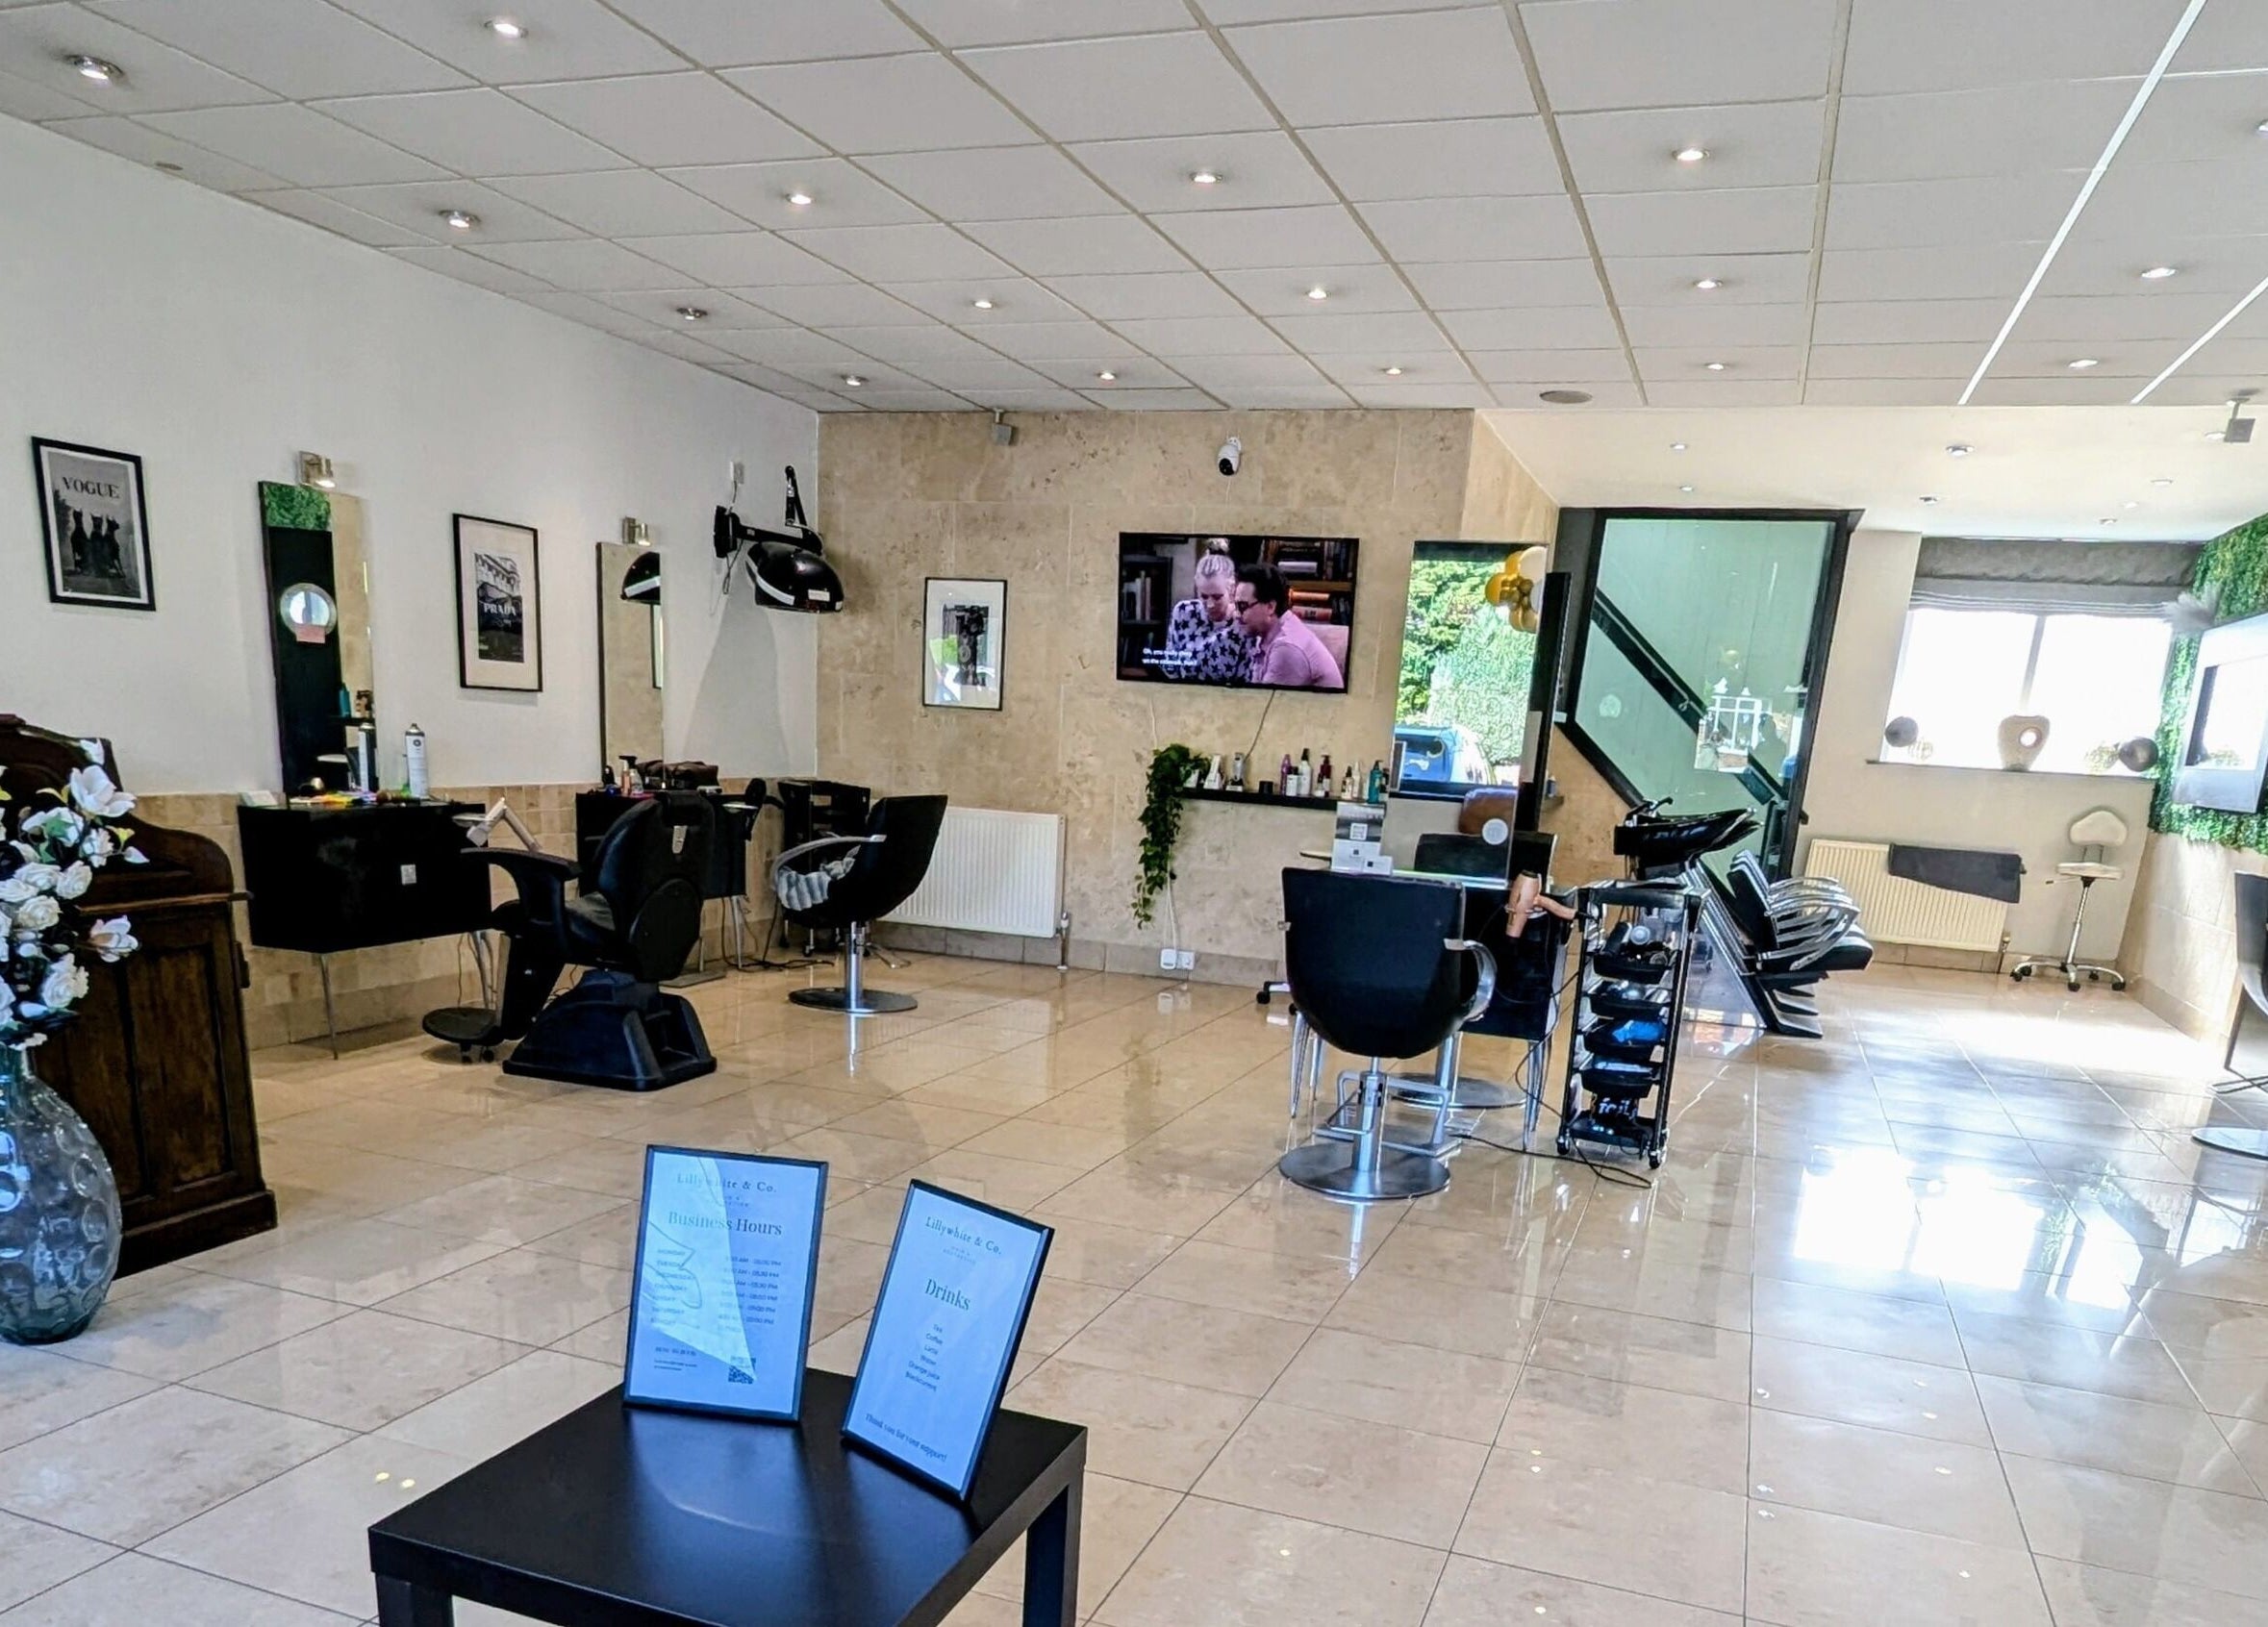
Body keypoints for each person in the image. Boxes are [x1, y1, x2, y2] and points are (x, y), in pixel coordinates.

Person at [1235, 563, 1343, 690]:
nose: (1236, 615)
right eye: (1236, 606)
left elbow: (1264, 706)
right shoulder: (1270, 634)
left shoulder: (1286, 648)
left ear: (1270, 607)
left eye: (1242, 606)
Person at [1159, 540, 1250, 683]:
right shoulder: (1184, 612)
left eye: (1217, 597)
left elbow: (1247, 679)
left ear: (1232, 590)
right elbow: (1170, 667)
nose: (1210, 604)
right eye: (1203, 596)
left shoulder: (1243, 623)